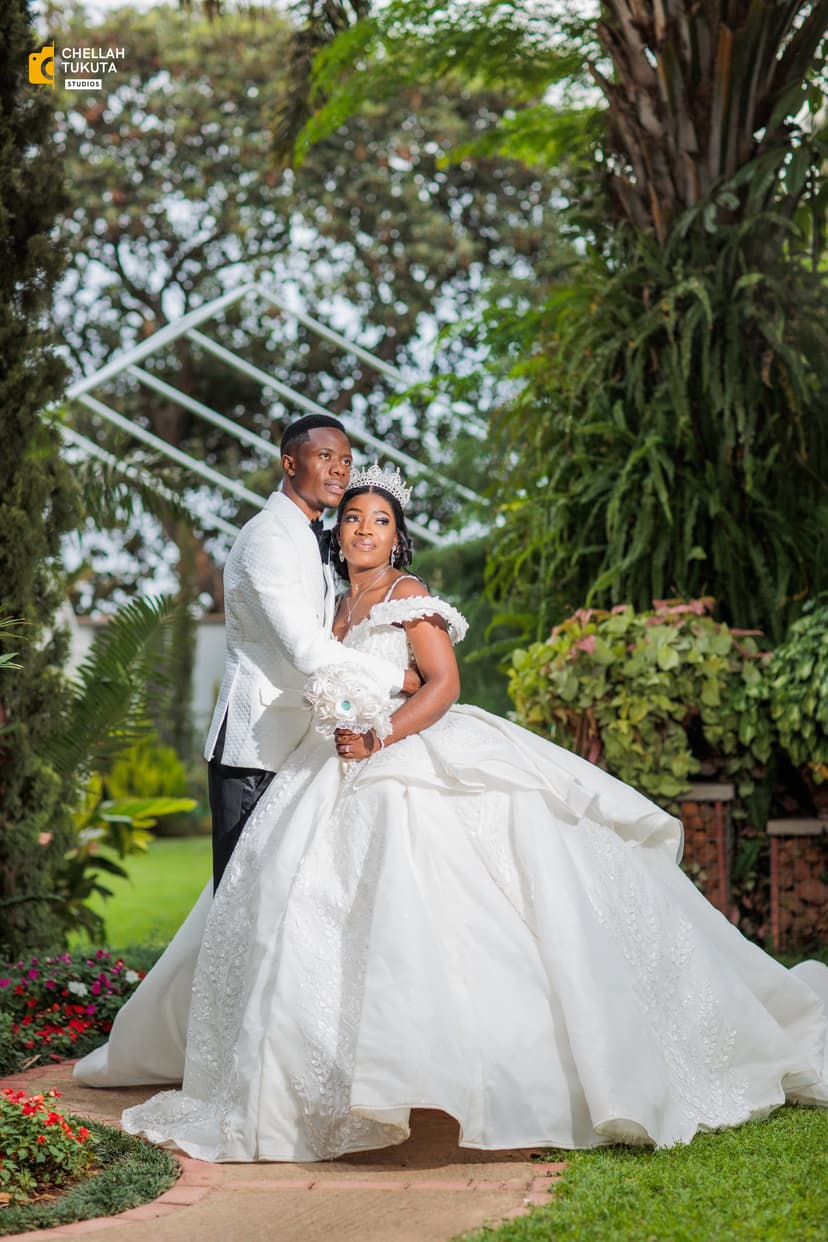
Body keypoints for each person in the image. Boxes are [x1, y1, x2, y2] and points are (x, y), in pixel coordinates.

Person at [75, 465, 828, 1159]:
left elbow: (442, 684)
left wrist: (379, 732)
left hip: (408, 754)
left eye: (377, 521)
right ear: (337, 535)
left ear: (397, 535)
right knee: (302, 908)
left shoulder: (409, 595)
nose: (363, 530)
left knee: (453, 904)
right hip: (328, 767)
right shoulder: (333, 607)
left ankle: (491, 1074)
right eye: (351, 520)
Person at [204, 414, 419, 892]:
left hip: (299, 749)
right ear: (289, 463)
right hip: (253, 749)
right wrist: (400, 679)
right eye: (324, 456)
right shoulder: (267, 538)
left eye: (345, 460)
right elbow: (306, 649)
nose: (339, 469)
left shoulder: (316, 536)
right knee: (241, 901)